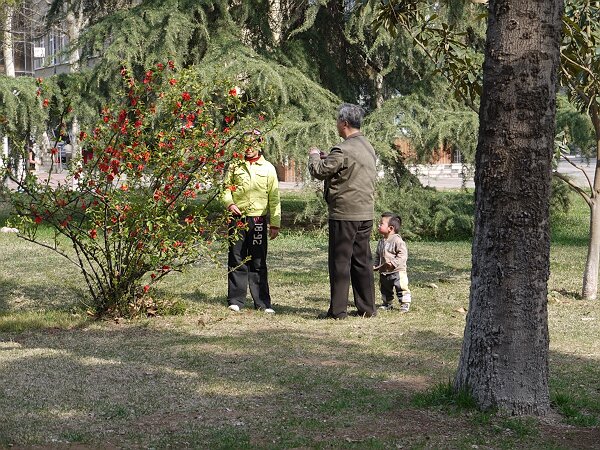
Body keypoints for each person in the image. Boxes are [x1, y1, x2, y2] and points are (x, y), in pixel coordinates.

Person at [308, 103, 377, 319]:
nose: (337, 124)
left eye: (338, 121)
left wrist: (313, 155)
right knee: (362, 260)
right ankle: (367, 308)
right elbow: (346, 166)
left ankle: (337, 311)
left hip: (345, 213)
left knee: (340, 261)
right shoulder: (367, 146)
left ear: (344, 123)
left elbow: (320, 171)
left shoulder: (342, 149)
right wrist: (327, 156)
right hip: (366, 212)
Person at [223, 129, 281, 314]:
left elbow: (274, 197)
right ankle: (236, 300)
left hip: (257, 220)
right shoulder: (234, 166)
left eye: (252, 144)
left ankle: (263, 302)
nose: (248, 149)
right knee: (237, 257)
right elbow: (225, 189)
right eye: (245, 145)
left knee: (258, 260)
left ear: (259, 144)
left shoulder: (268, 168)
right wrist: (229, 203)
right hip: (237, 219)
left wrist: (275, 223)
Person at [373, 212, 412, 312]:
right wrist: (376, 265)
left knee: (401, 287)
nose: (378, 225)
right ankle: (387, 303)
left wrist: (393, 263)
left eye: (381, 224)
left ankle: (405, 303)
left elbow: (402, 255)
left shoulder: (397, 240)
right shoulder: (381, 241)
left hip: (397, 271)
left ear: (390, 228)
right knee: (385, 289)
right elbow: (378, 255)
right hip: (384, 271)